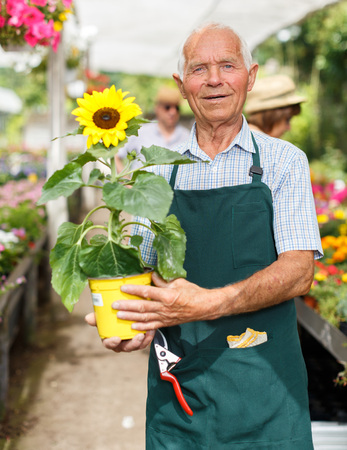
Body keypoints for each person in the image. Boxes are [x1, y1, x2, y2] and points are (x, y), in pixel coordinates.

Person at [86, 22, 323, 449]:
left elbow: (299, 271)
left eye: (227, 65)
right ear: (181, 84)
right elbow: (140, 264)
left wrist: (209, 303)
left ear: (249, 77)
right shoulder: (154, 169)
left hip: (264, 387)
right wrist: (130, 319)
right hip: (179, 388)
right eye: (199, 69)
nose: (214, 79)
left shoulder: (284, 162)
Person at [116, 85, 190, 170]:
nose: (173, 112)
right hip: (141, 183)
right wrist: (126, 181)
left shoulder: (187, 136)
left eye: (177, 108)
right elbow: (116, 156)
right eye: (167, 107)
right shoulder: (140, 132)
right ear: (157, 108)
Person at [245, 74, 306, 138]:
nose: (288, 128)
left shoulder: (246, 137)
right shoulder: (260, 144)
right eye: (287, 120)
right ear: (272, 116)